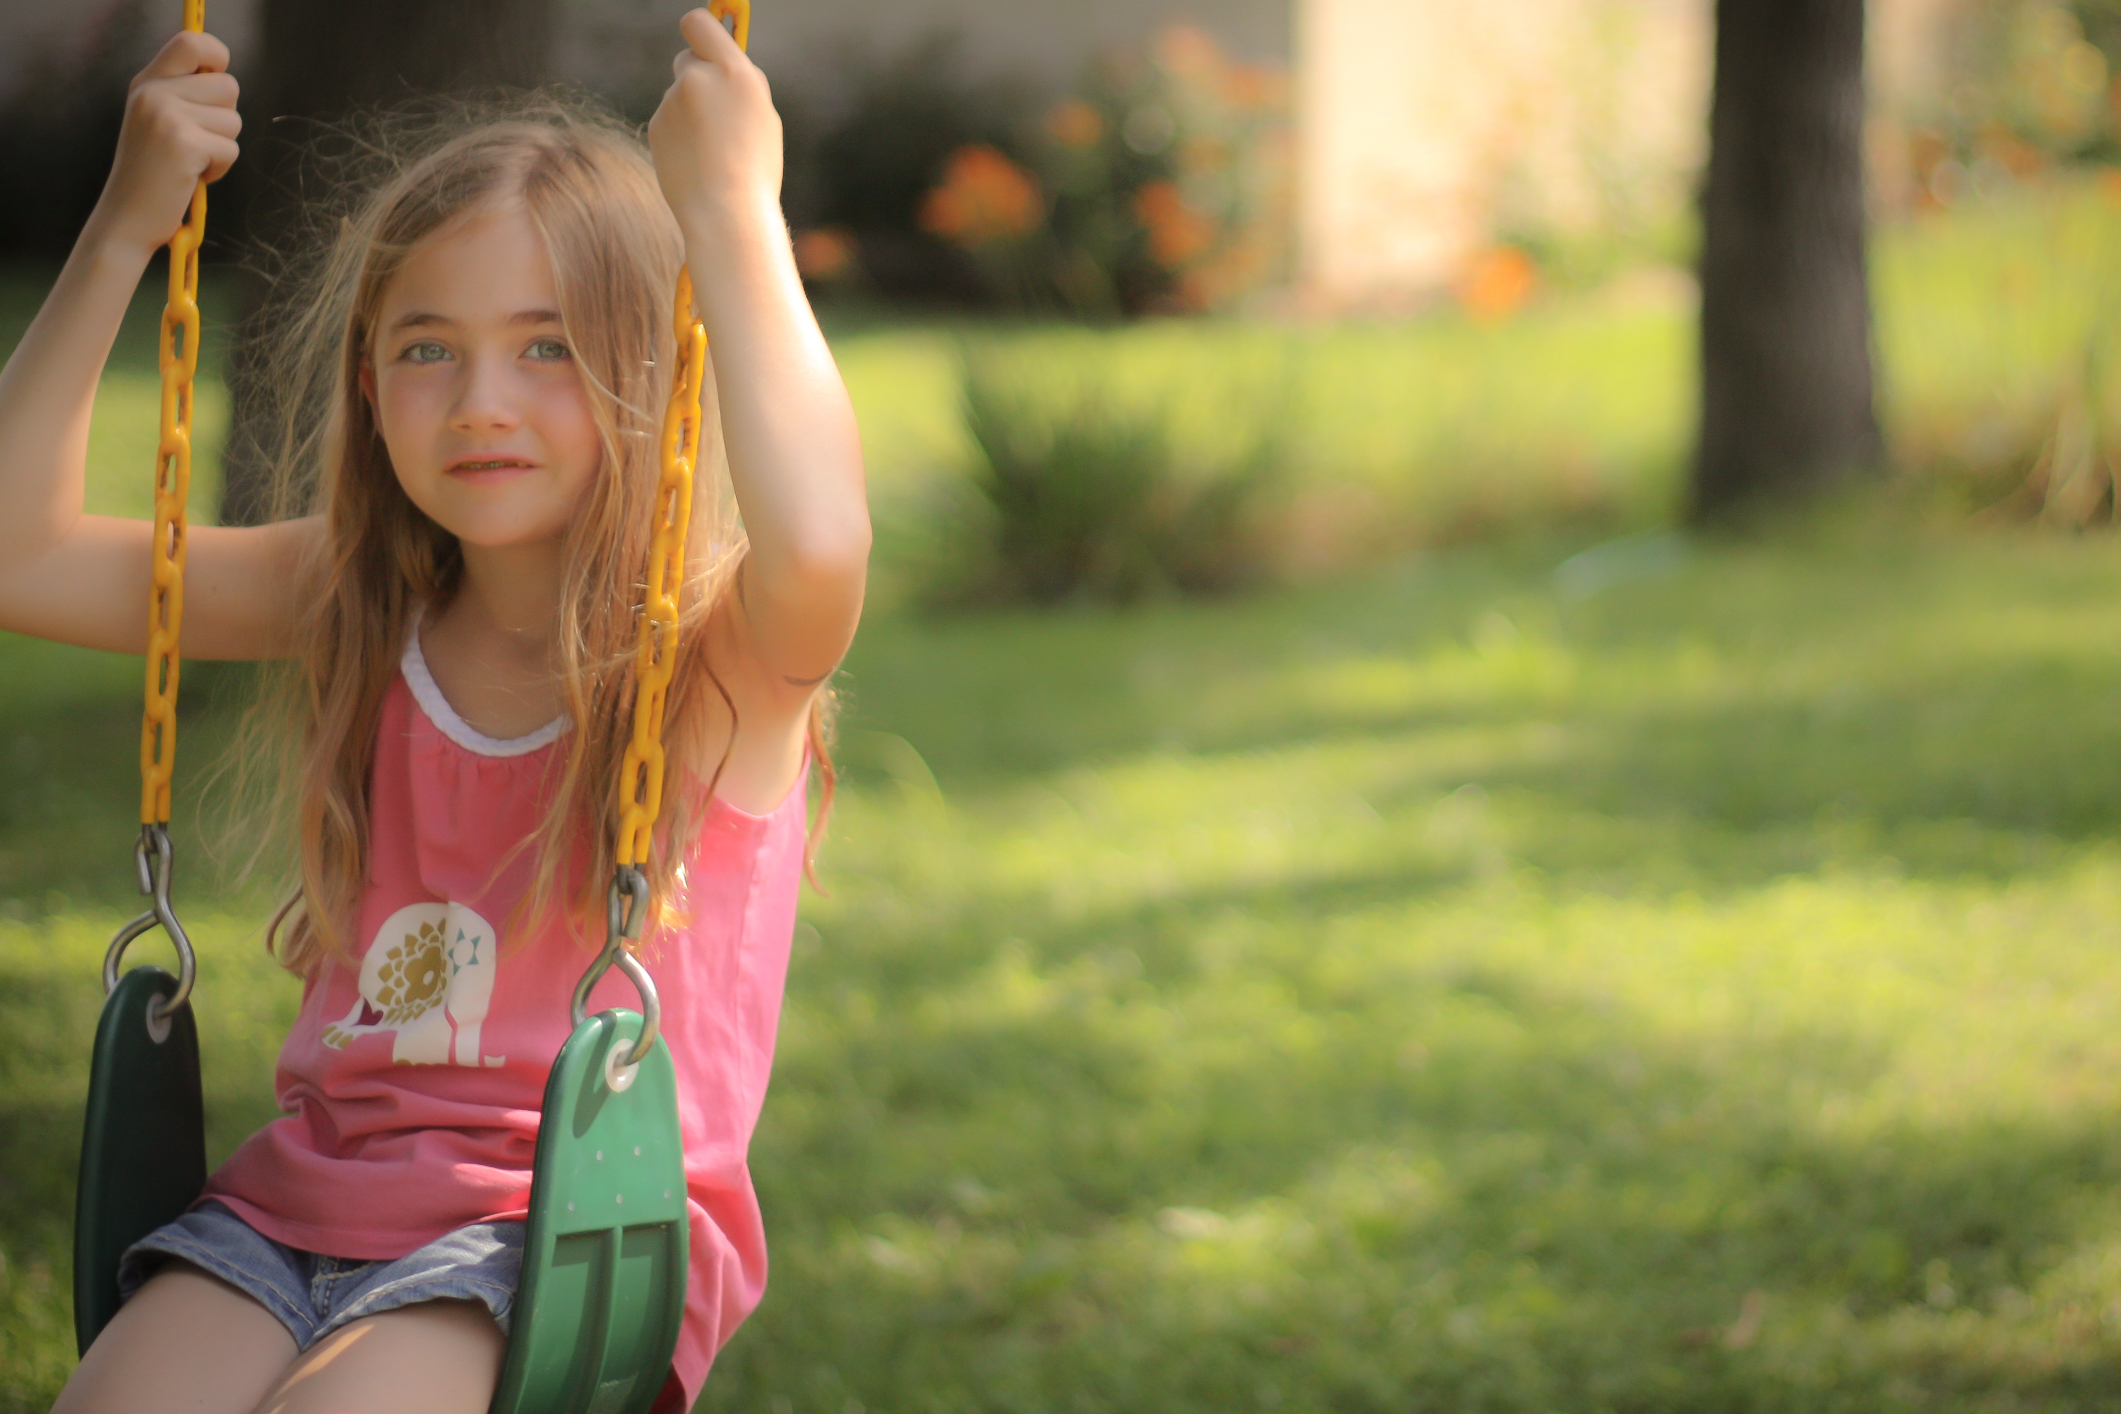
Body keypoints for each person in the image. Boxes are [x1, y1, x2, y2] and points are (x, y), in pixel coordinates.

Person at [5, 10, 869, 1413]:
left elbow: (825, 542)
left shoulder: (710, 660)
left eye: (546, 349)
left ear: (648, 372)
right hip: (291, 1213)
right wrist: (123, 228)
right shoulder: (349, 597)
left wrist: (728, 209)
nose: (481, 402)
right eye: (426, 350)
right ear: (367, 380)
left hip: (562, 1236)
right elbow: (16, 551)